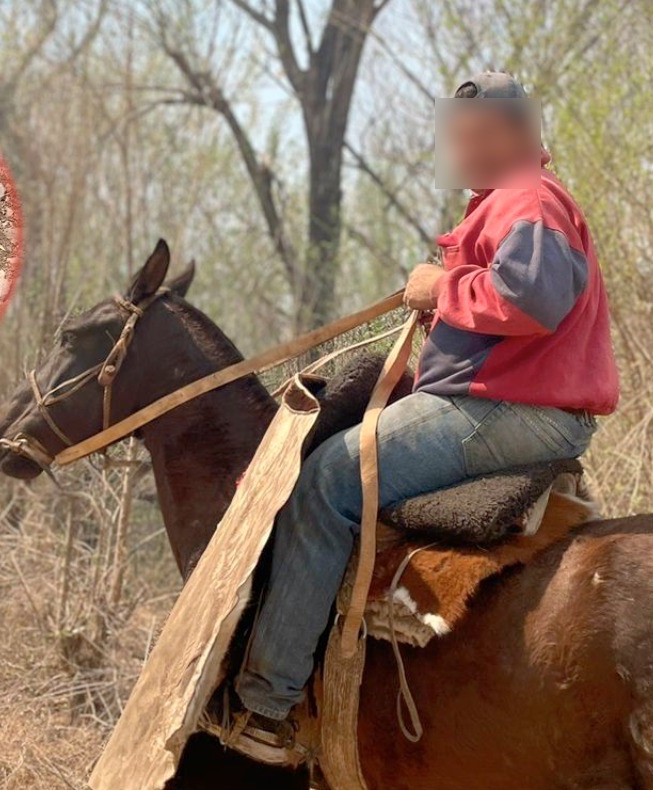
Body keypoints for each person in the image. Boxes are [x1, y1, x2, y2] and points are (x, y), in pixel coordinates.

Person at [205, 72, 619, 760]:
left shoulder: (529, 199)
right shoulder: (505, 205)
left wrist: (441, 287)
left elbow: (535, 301)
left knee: (329, 483)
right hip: (504, 404)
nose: (460, 143)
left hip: (510, 411)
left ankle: (267, 709)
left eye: (475, 131)